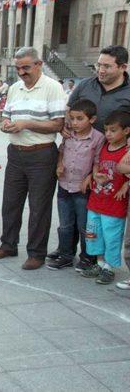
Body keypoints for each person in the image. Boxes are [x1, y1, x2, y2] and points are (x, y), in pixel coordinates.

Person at [0, 47, 66, 270]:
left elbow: (58, 124)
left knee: (39, 207)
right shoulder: (14, 88)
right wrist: (5, 124)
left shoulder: (53, 88)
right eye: (18, 68)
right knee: (10, 203)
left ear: (39, 64)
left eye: (26, 67)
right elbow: (7, 115)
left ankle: (37, 253)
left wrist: (27, 123)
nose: (22, 72)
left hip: (42, 153)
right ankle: (8, 244)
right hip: (16, 152)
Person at [49, 99, 104, 271]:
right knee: (65, 225)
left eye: (79, 119)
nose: (74, 123)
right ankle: (66, 255)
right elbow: (62, 151)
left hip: (82, 189)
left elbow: (98, 162)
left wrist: (90, 178)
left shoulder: (98, 138)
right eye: (72, 118)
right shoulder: (68, 134)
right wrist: (59, 165)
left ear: (92, 119)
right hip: (64, 186)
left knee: (84, 225)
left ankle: (88, 257)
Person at [81, 111, 130, 284]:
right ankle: (100, 263)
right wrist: (96, 175)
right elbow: (97, 165)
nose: (108, 134)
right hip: (96, 201)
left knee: (112, 236)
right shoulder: (104, 147)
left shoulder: (127, 151)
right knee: (94, 234)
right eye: (106, 130)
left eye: (113, 130)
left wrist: (126, 184)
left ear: (126, 131)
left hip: (114, 205)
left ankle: (109, 267)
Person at [65, 46, 130, 134]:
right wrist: (65, 126)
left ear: (123, 67)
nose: (100, 71)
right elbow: (68, 110)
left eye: (107, 66)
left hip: (112, 146)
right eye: (98, 65)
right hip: (81, 145)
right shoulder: (84, 85)